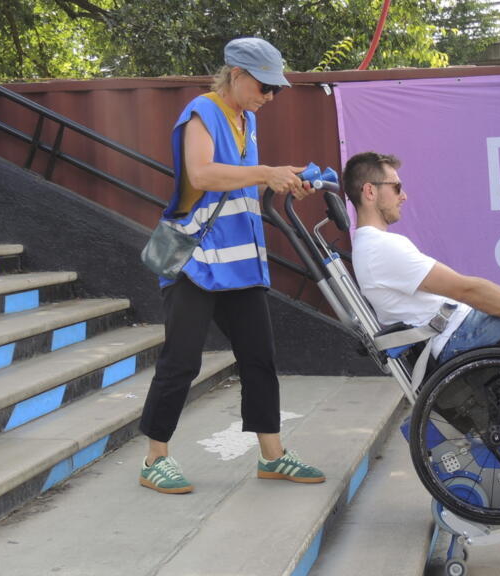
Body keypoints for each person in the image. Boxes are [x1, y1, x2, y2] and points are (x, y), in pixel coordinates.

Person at [138, 37, 325, 494]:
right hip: (196, 262)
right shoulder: (202, 111)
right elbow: (201, 175)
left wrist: (286, 182)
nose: (271, 96)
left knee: (260, 358)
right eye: (265, 86)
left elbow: (239, 189)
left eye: (276, 89)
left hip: (240, 262)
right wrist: (266, 172)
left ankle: (272, 456)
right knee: (181, 361)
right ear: (237, 75)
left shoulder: (247, 120)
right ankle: (154, 459)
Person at [342, 152, 500, 367]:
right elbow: (466, 290)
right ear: (370, 191)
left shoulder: (374, 246)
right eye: (396, 187)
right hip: (459, 337)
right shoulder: (379, 247)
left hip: (458, 330)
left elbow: (465, 287)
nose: (403, 196)